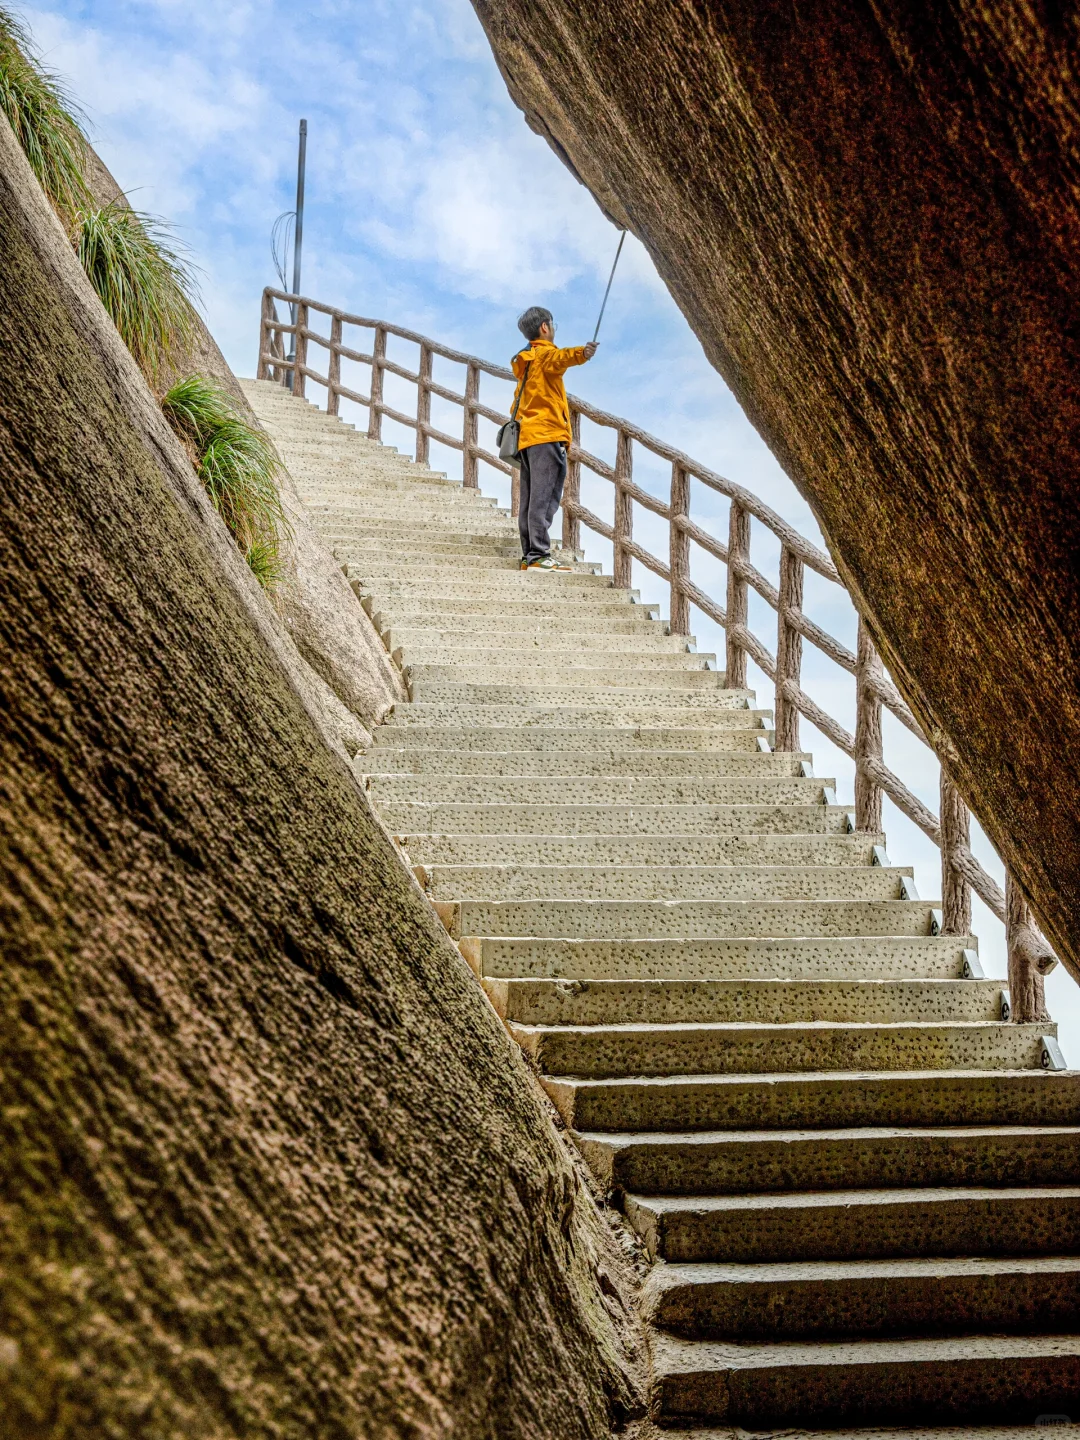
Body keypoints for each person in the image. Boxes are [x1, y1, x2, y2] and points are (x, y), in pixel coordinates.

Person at [510, 307, 598, 570]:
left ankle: (530, 555)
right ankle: (538, 554)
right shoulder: (544, 354)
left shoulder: (526, 359)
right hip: (547, 434)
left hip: (527, 436)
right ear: (545, 328)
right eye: (553, 324)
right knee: (545, 496)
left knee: (530, 497)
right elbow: (560, 358)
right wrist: (583, 353)